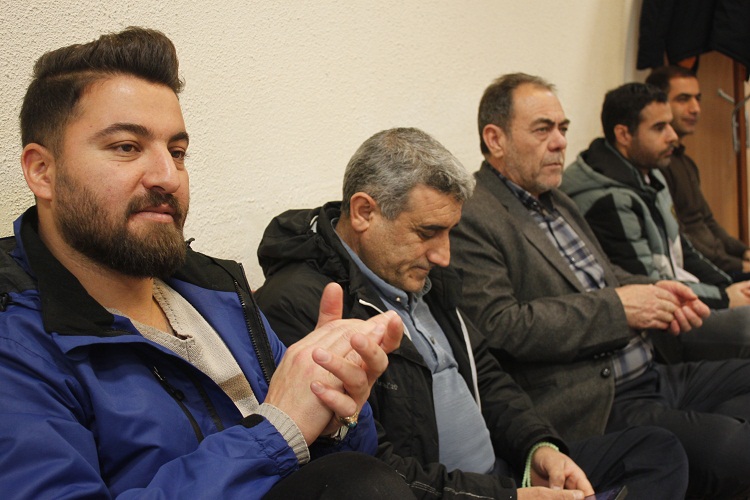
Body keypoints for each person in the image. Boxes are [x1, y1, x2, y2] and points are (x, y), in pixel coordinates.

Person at [0, 27, 414, 499]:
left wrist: (336, 409)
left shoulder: (216, 291)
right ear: (42, 171)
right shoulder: (17, 345)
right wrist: (277, 431)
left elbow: (327, 462)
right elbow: (283, 433)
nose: (167, 176)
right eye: (127, 147)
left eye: (177, 152)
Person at [255, 127, 690, 499]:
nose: (443, 255)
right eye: (428, 232)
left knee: (657, 451)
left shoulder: (419, 275)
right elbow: (372, 469)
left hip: (502, 475)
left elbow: (486, 373)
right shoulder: (303, 307)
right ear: (364, 212)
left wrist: (538, 447)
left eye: (449, 232)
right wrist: (507, 497)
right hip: (450, 492)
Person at [450, 73, 750, 498]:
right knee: (734, 450)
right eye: (543, 129)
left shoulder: (556, 199)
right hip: (597, 397)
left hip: (649, 370)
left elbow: (608, 276)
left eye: (563, 128)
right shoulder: (474, 215)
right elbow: (500, 326)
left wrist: (661, 292)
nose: (560, 142)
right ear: (495, 139)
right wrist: (619, 308)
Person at [561, 81, 750, 360]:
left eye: (670, 125)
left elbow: (683, 248)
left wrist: (728, 287)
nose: (673, 136)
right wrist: (724, 298)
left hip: (684, 294)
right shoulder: (608, 200)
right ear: (624, 134)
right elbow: (648, 283)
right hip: (659, 327)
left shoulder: (651, 172)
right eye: (660, 128)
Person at [647, 65, 750, 279]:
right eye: (683, 99)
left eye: (697, 99)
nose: (695, 108)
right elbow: (682, 241)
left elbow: (707, 221)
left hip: (723, 265)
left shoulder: (686, 162)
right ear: (660, 105)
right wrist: (739, 265)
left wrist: (744, 253)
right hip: (701, 273)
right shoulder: (656, 167)